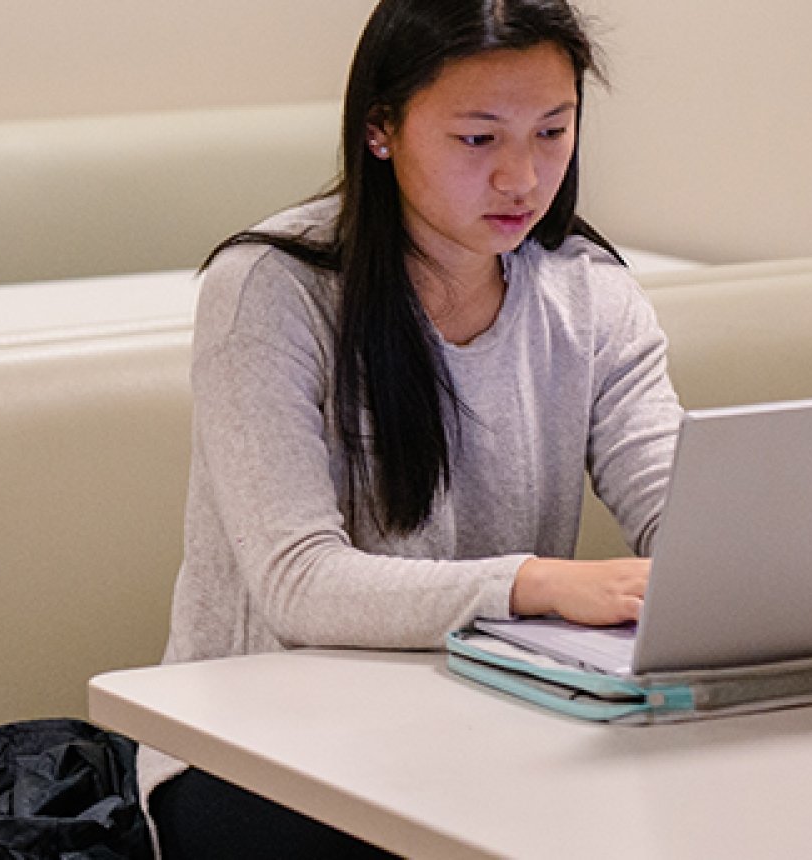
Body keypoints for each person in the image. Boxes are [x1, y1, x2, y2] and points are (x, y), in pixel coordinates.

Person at [139, 0, 683, 856]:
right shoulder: (271, 289)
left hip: (493, 724)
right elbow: (300, 583)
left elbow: (675, 506)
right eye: (479, 139)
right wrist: (537, 585)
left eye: (552, 132)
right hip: (257, 751)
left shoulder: (590, 290)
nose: (522, 178)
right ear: (381, 129)